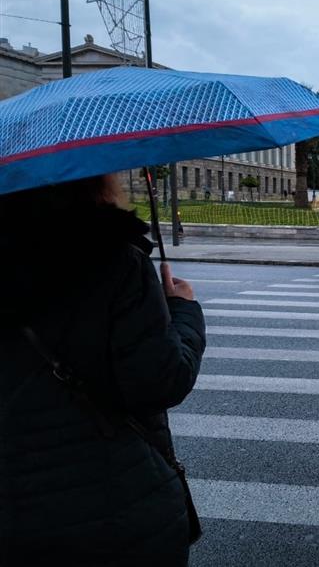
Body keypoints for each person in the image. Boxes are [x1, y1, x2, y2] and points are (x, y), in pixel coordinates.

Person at [0, 175, 206, 566]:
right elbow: (161, 380)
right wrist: (182, 310)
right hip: (113, 505)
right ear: (93, 181)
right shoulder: (115, 260)